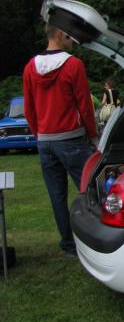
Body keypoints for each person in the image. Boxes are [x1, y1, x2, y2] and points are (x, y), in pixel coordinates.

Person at [23, 24, 97, 257]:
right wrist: (92, 133)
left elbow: (29, 109)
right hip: (72, 139)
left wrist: (39, 135)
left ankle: (68, 245)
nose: (73, 40)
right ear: (59, 35)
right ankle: (95, 240)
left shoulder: (29, 68)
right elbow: (84, 104)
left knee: (57, 195)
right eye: (70, 36)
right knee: (90, 190)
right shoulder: (73, 65)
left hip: (45, 141)